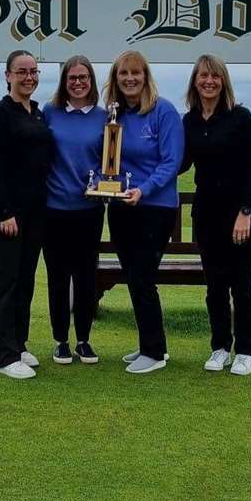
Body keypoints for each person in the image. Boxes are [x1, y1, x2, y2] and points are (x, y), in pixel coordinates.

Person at [180, 54, 251, 376]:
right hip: (207, 214)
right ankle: (219, 347)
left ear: (223, 81)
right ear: (195, 81)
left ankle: (244, 351)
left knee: (241, 284)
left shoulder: (241, 118)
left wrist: (246, 212)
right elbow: (182, 163)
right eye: (203, 76)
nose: (208, 81)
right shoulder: (190, 121)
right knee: (214, 286)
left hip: (238, 215)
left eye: (214, 76)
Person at [104, 51, 185, 374]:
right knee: (134, 277)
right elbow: (108, 161)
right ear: (116, 78)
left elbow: (172, 161)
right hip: (122, 206)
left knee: (142, 276)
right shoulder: (115, 114)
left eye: (135, 73)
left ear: (146, 76)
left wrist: (144, 189)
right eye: (123, 73)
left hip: (155, 207)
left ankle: (154, 351)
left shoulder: (163, 111)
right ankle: (149, 345)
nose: (129, 78)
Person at [0, 51, 53, 378]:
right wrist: (5, 211)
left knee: (24, 282)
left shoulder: (36, 113)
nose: (29, 77)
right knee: (4, 282)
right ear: (8, 75)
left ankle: (18, 344)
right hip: (3, 212)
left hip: (34, 211)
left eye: (34, 71)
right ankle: (4, 357)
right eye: (22, 72)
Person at [41, 57, 108, 365]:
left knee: (85, 277)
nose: (78, 82)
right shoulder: (50, 112)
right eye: (72, 78)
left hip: (89, 210)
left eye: (83, 77)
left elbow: (111, 162)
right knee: (57, 276)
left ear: (91, 80)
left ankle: (84, 339)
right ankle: (60, 341)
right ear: (64, 81)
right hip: (54, 209)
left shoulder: (105, 117)